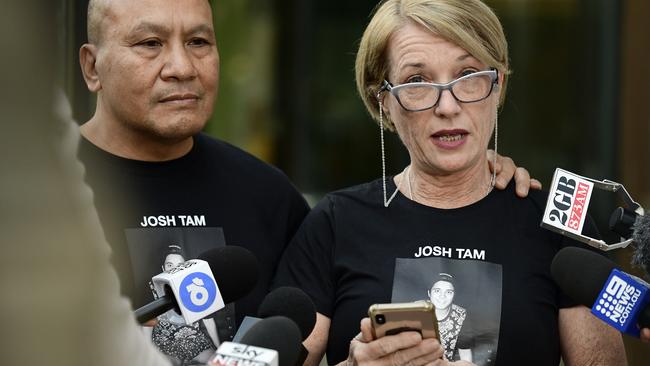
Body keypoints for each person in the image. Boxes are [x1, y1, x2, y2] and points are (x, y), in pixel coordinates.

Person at [77, 0, 531, 359]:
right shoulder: (30, 192)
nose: (181, 66)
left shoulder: (268, 194)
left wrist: (477, 178)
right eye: (150, 43)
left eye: (199, 42)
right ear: (92, 67)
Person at [273, 0, 626, 365]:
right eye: (417, 82)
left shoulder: (562, 224)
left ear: (497, 85)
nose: (447, 106)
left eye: (469, 75)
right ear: (384, 103)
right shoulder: (335, 223)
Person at [428, 273, 471, 362]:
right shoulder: (416, 311)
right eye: (437, 291)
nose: (442, 296)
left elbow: (465, 353)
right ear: (429, 293)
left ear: (454, 296)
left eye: (448, 292)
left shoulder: (462, 316)